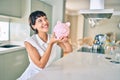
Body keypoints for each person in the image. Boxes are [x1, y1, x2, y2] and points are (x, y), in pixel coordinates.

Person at [17, 10, 73, 80]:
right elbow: (41, 65)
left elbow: (69, 50)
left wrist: (66, 41)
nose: (45, 22)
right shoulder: (29, 42)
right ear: (34, 26)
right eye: (40, 20)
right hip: (34, 75)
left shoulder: (52, 37)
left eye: (45, 18)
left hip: (47, 73)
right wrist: (51, 44)